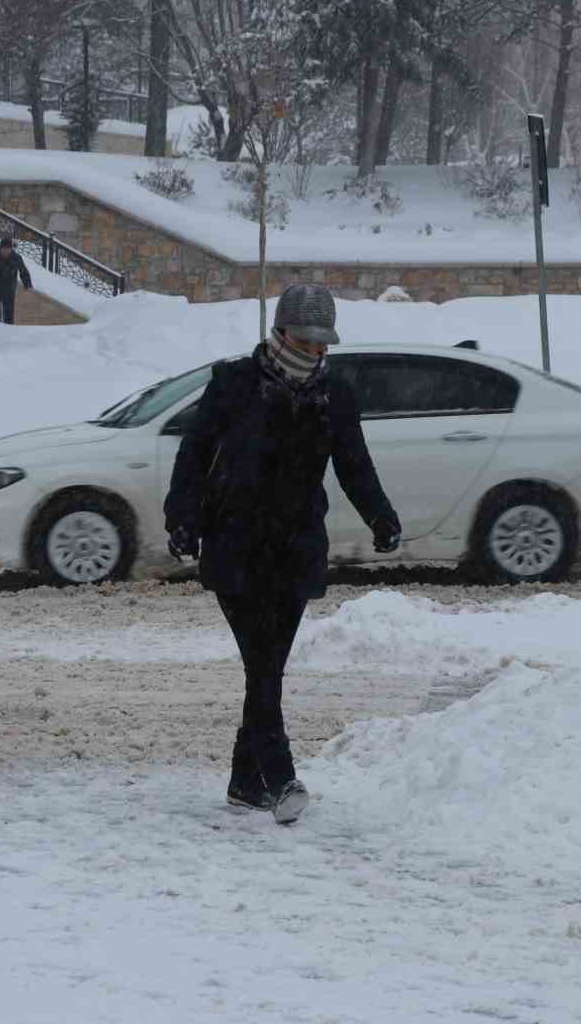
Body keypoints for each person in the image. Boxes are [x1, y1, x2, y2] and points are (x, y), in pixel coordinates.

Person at [164, 283, 401, 824]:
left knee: (267, 667)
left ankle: (245, 783)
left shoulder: (333, 394)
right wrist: (182, 520)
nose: (317, 349)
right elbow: (193, 454)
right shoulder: (235, 383)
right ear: (282, 332)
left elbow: (354, 463)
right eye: (307, 339)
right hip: (236, 541)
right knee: (262, 664)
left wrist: (380, 516)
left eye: (324, 341)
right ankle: (281, 774)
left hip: (296, 546)